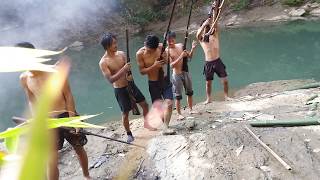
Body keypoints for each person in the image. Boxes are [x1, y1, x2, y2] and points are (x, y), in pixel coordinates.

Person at [18, 42, 91, 180]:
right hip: (48, 122)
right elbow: (32, 101)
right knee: (51, 160)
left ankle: (86, 176)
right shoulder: (24, 78)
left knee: (79, 148)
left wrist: (73, 120)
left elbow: (68, 95)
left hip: (66, 115)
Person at [99, 33, 151, 142]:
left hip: (131, 85)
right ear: (107, 46)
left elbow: (128, 70)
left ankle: (147, 123)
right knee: (125, 113)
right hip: (120, 89)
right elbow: (110, 80)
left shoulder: (121, 54)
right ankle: (129, 134)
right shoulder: (103, 62)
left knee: (145, 104)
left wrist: (129, 72)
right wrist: (124, 69)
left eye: (115, 42)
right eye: (113, 44)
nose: (116, 45)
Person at [136, 34, 175, 135]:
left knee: (169, 103)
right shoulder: (140, 54)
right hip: (153, 83)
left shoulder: (161, 47)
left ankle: (166, 127)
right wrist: (154, 66)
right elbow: (142, 72)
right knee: (159, 107)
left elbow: (169, 62)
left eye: (152, 50)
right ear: (145, 44)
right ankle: (164, 124)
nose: (150, 52)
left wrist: (166, 58)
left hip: (165, 80)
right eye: (149, 50)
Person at [196, 16, 230, 104]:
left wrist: (213, 16)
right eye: (205, 27)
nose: (207, 28)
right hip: (208, 63)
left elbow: (215, 24)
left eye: (208, 27)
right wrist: (204, 25)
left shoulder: (214, 34)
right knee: (208, 83)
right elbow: (197, 35)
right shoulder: (202, 39)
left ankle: (226, 96)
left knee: (225, 80)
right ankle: (208, 99)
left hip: (217, 61)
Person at [166, 31, 198, 120]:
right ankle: (179, 114)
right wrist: (181, 56)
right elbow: (171, 65)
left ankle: (191, 109)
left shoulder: (180, 45)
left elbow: (190, 56)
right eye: (169, 40)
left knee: (190, 92)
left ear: (174, 39)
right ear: (166, 40)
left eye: (172, 40)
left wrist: (193, 48)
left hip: (185, 72)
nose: (171, 42)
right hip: (176, 75)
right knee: (178, 96)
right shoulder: (167, 51)